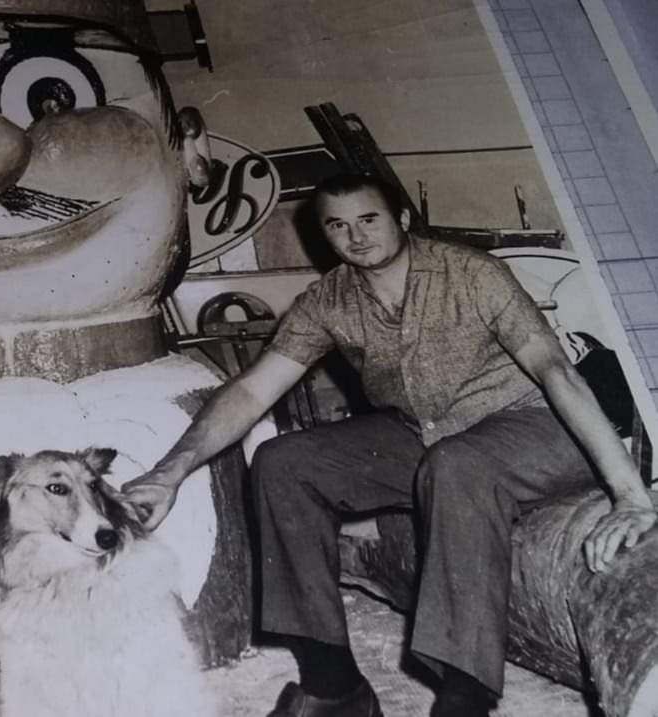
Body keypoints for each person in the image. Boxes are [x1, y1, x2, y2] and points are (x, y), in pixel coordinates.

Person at [123, 173, 657, 717]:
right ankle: (333, 686)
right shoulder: (329, 300)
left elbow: (555, 371)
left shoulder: (473, 274)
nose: (356, 237)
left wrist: (629, 494)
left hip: (535, 425)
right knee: (285, 461)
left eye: (368, 219)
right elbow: (251, 390)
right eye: (338, 226)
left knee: (457, 463)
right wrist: (169, 473)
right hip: (426, 431)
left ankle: (465, 697)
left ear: (401, 219)